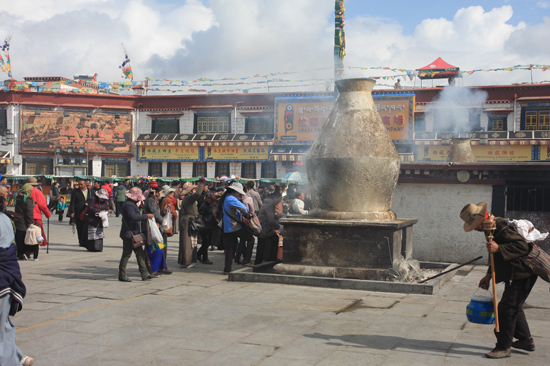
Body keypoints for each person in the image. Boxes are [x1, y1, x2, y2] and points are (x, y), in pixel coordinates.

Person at [460, 202, 538, 359]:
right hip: (515, 272)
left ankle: (503, 347)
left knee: (505, 309)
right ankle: (525, 340)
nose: (475, 228)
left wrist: (499, 248)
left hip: (524, 272)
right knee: (513, 305)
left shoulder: (500, 226)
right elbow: (495, 255)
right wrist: (489, 275)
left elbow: (523, 247)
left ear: (482, 218)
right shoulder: (489, 227)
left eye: (475, 225)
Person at [0, 196, 34, 366]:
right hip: (8, 276)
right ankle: (18, 357)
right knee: (3, 326)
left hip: (2, 278)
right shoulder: (6, 218)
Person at [118, 187, 155, 282]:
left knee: (140, 254)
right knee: (126, 254)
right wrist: (146, 216)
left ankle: (144, 273)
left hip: (134, 233)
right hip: (129, 234)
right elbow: (133, 217)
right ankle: (122, 274)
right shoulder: (128, 205)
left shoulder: (132, 204)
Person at [219, 182, 251, 275]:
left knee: (230, 248)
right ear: (235, 191)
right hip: (234, 226)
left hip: (227, 227)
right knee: (250, 238)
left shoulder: (225, 198)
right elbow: (244, 208)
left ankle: (227, 269)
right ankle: (246, 260)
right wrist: (246, 215)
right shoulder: (231, 199)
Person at [178, 178, 206, 268]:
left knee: (190, 241)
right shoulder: (189, 198)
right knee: (187, 242)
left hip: (187, 220)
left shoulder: (187, 198)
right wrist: (202, 184)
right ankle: (187, 261)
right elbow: (198, 194)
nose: (194, 190)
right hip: (188, 220)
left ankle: (188, 260)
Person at [143, 182, 169, 275]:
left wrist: (163, 211)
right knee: (153, 249)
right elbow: (155, 213)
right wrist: (162, 221)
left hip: (154, 226)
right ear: (156, 192)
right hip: (149, 227)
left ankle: (159, 267)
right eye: (160, 192)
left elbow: (156, 213)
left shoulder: (154, 200)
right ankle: (152, 268)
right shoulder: (150, 200)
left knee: (159, 247)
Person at [255, 192, 282, 265]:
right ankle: (268, 259)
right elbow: (271, 220)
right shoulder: (269, 205)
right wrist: (278, 227)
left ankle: (264, 260)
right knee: (262, 244)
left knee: (266, 242)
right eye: (279, 200)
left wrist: (277, 217)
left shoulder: (268, 204)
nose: (279, 201)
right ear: (275, 198)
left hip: (266, 228)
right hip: (264, 228)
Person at [28, 177, 51, 258]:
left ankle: (26, 251)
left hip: (25, 216)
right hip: (35, 216)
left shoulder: (21, 192)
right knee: (37, 234)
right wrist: (48, 214)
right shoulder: (37, 192)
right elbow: (43, 205)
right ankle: (35, 252)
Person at [235, 185, 255, 266]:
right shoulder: (248, 198)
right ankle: (247, 260)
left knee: (242, 240)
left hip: (238, 221)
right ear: (246, 190)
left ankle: (237, 257)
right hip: (247, 221)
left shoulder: (236, 199)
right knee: (251, 239)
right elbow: (252, 210)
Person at [159, 185, 178, 273]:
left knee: (161, 245)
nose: (172, 194)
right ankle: (163, 266)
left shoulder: (163, 199)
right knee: (163, 246)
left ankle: (161, 265)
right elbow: (173, 213)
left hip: (161, 224)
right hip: (165, 225)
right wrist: (175, 216)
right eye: (171, 192)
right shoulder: (168, 200)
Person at [14, 184, 34, 261]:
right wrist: (30, 223)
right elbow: (29, 212)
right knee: (25, 238)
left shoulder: (18, 197)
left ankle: (19, 253)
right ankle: (25, 253)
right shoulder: (27, 199)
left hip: (18, 221)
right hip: (24, 222)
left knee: (19, 238)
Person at [68, 180, 91, 248]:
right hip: (78, 212)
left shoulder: (90, 191)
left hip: (88, 211)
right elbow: (72, 202)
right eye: (79, 184)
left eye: (81, 184)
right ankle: (81, 241)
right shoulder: (75, 192)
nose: (80, 186)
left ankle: (86, 241)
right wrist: (72, 212)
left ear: (85, 184)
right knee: (80, 227)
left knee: (86, 227)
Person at [197, 191, 215, 264]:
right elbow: (201, 216)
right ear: (207, 198)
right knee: (206, 242)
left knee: (207, 242)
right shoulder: (204, 206)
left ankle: (201, 255)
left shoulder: (210, 205)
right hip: (205, 226)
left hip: (209, 225)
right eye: (211, 199)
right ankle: (202, 256)